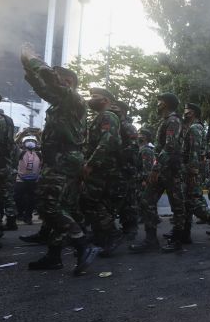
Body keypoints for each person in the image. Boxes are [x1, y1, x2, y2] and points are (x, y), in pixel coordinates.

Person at [21, 44, 99, 274]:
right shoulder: (60, 104)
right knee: (59, 207)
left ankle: (83, 244)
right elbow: (44, 89)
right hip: (61, 160)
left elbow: (48, 81)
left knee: (50, 205)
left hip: (64, 161)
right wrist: (29, 71)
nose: (55, 80)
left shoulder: (73, 98)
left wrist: (32, 60)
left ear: (68, 82)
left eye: (59, 77)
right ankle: (54, 255)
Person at [130, 92, 186, 253]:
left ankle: (177, 241)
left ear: (166, 104)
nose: (157, 104)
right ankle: (151, 240)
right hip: (162, 170)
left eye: (160, 101)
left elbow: (170, 146)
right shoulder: (165, 121)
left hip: (170, 170)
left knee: (177, 206)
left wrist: (156, 167)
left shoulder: (174, 121)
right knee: (147, 200)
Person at [174, 103, 210, 245]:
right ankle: (185, 234)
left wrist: (192, 171)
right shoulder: (192, 128)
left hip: (191, 170)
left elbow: (195, 151)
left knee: (193, 201)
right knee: (187, 202)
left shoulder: (195, 128)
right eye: (184, 112)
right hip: (189, 169)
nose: (185, 115)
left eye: (188, 112)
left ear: (194, 114)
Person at [80, 87, 123, 257]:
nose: (91, 99)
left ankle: (111, 234)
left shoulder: (108, 116)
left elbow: (107, 141)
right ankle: (101, 237)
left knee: (91, 202)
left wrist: (90, 164)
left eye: (95, 96)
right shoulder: (100, 117)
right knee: (95, 202)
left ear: (105, 100)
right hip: (99, 168)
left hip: (103, 169)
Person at [111, 101, 140, 240]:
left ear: (122, 111)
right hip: (114, 169)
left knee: (128, 200)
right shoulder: (113, 124)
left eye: (115, 107)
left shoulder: (128, 127)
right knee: (116, 199)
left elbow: (133, 148)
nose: (112, 109)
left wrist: (117, 155)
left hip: (126, 169)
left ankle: (131, 228)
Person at [0, 94, 18, 236]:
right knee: (7, 194)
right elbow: (11, 143)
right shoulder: (8, 120)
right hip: (6, 163)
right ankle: (11, 220)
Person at [14, 136, 41, 225]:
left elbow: (46, 145)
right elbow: (14, 144)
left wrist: (39, 136)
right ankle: (20, 214)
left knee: (32, 200)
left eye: (32, 141)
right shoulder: (20, 153)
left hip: (34, 181)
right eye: (28, 141)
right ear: (23, 143)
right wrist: (21, 134)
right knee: (18, 198)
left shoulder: (39, 154)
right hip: (21, 180)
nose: (30, 142)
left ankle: (28, 217)